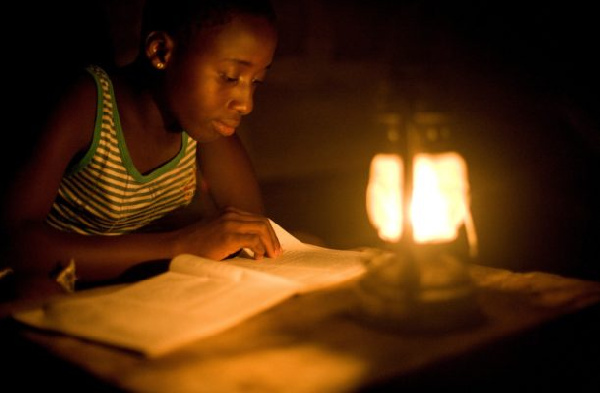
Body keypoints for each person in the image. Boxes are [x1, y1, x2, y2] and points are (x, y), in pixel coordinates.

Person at [1, 0, 281, 293]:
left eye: (256, 81)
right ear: (161, 51)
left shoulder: (203, 126)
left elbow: (251, 229)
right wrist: (180, 245)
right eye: (230, 77)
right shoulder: (87, 105)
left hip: (132, 280)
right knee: (33, 292)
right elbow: (14, 242)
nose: (246, 103)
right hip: (56, 277)